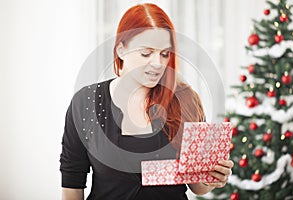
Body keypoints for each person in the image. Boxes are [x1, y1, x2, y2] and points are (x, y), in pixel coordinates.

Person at [60, 3, 234, 200]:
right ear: (121, 50)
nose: (158, 64)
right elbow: (72, 183)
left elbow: (197, 186)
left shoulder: (184, 99)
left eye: (164, 54)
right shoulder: (86, 103)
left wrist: (213, 177)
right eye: (146, 53)